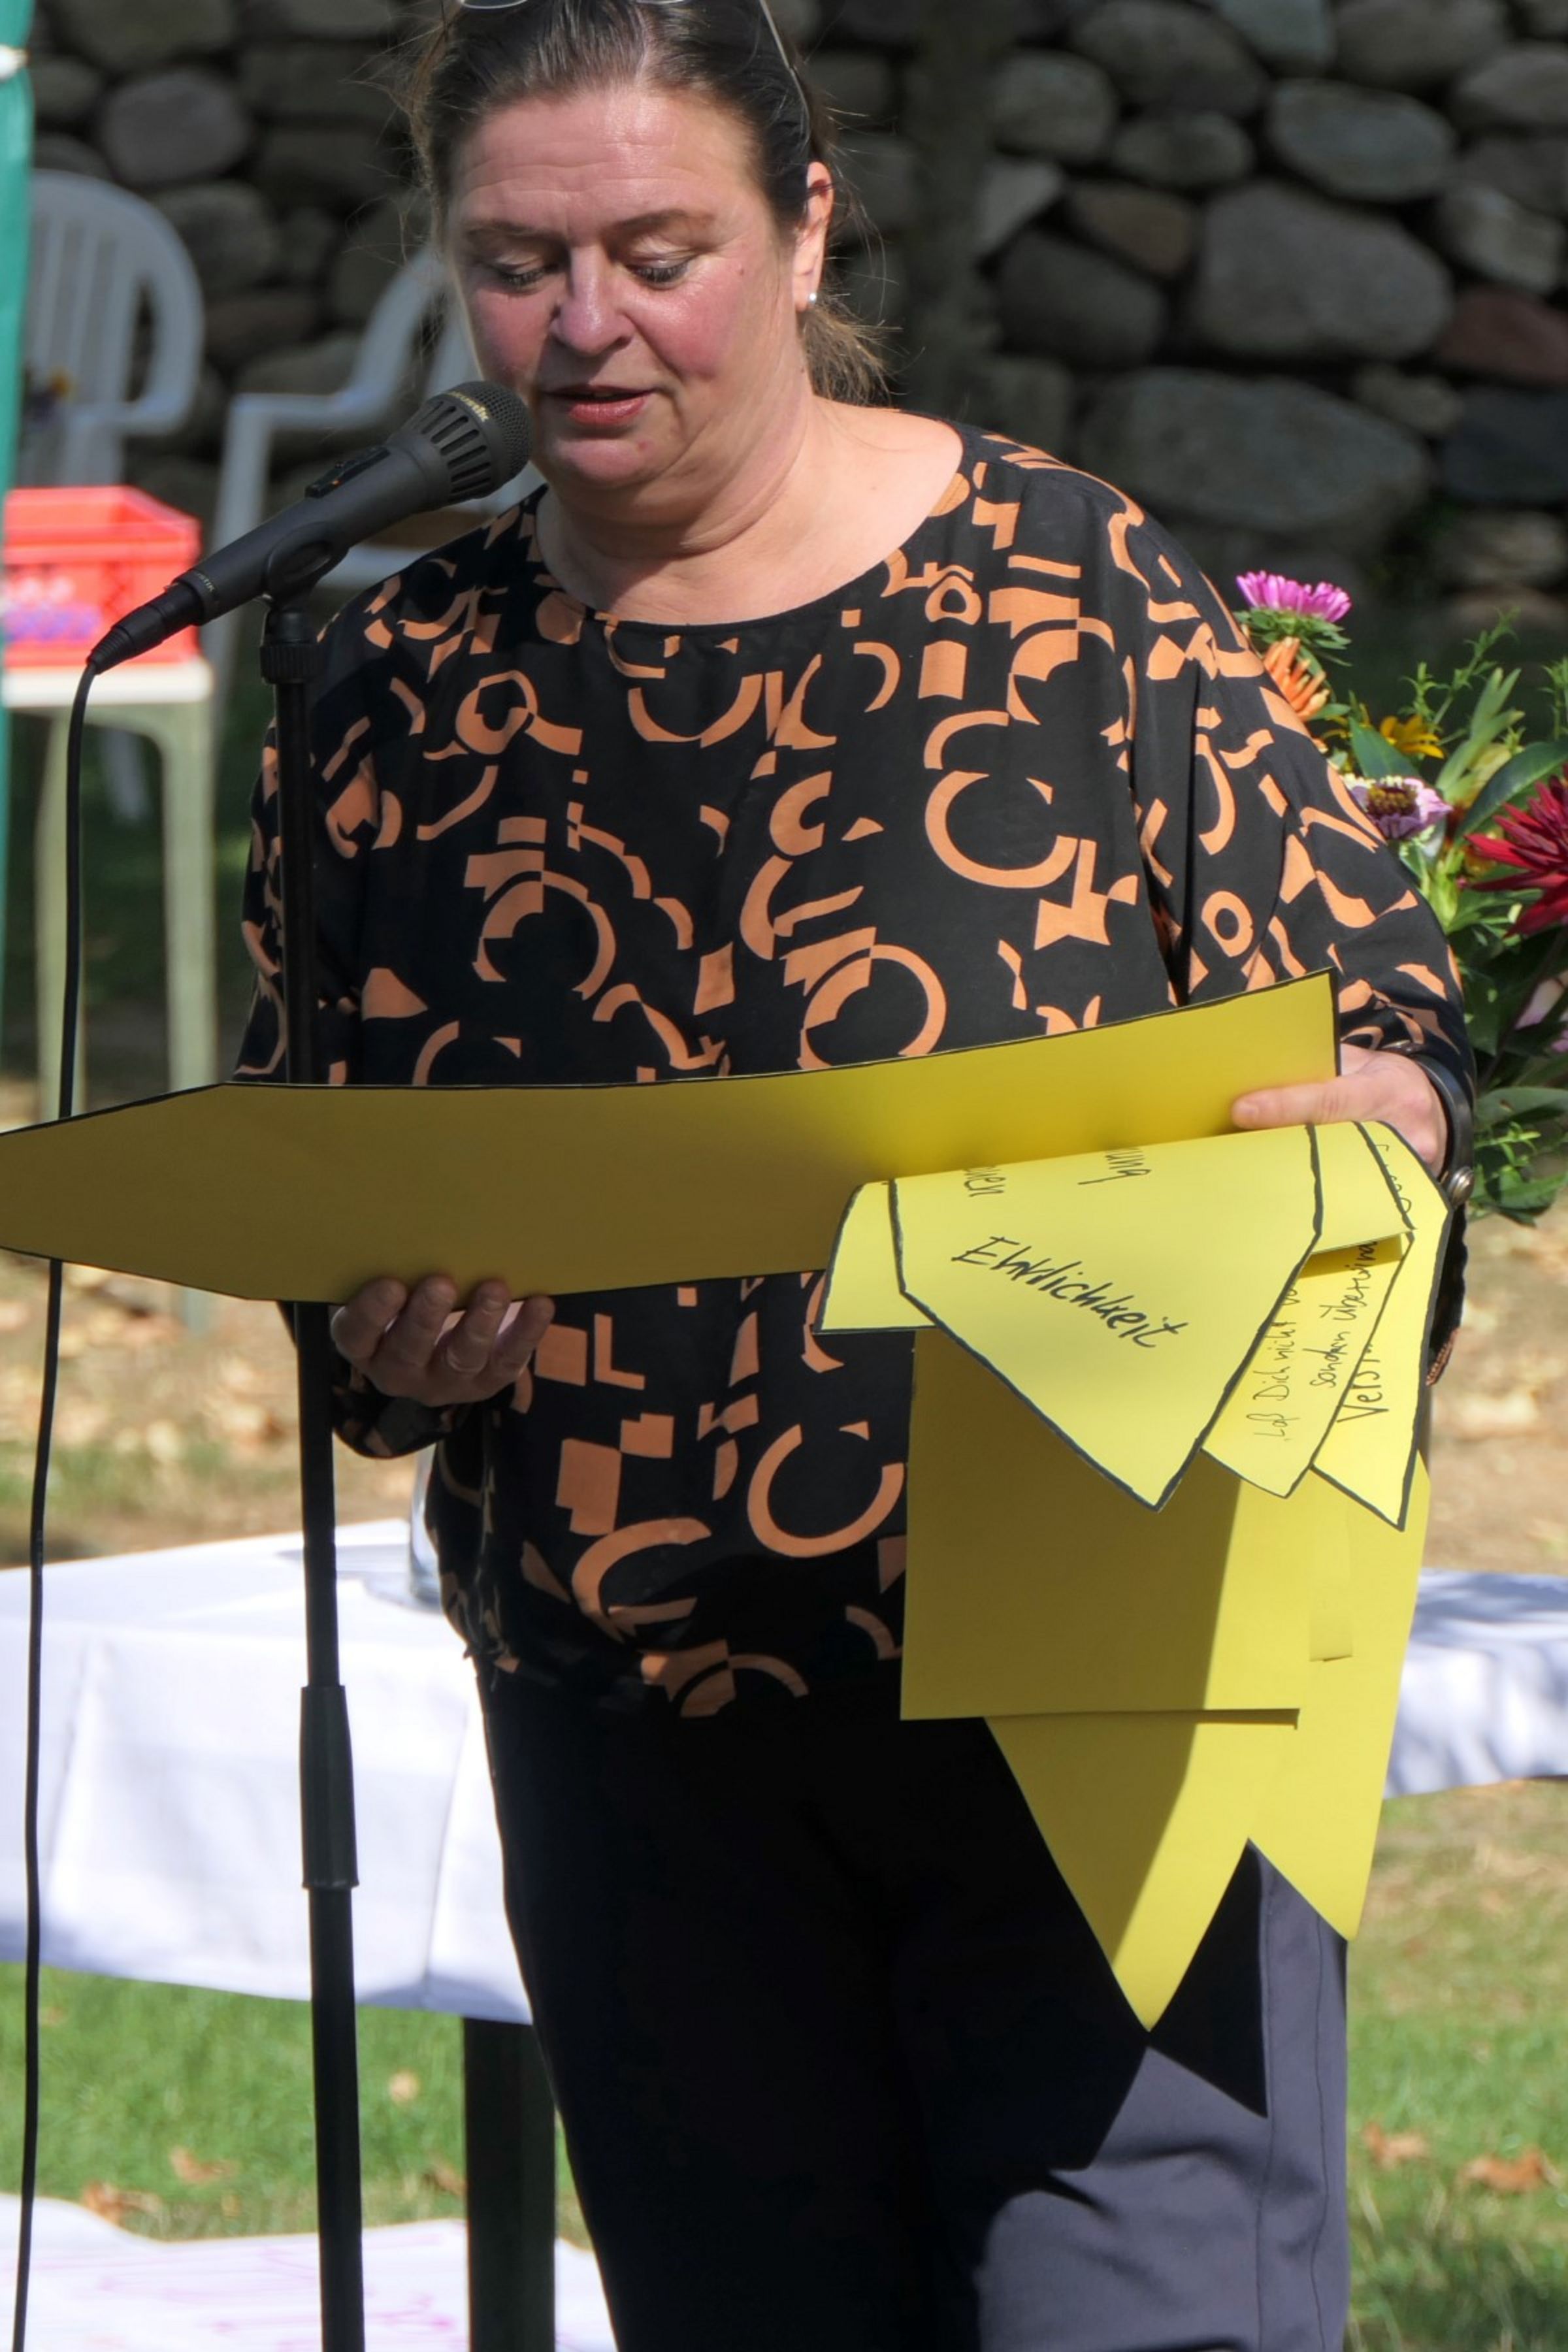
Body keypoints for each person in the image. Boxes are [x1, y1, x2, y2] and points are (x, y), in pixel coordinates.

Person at [237, 4, 1472, 2345]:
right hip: (638, 1739)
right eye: (517, 263)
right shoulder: (391, 689)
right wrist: (389, 1340)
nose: (583, 324)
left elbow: (1384, 1015)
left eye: (658, 252)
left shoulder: (1060, 580)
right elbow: (321, 1182)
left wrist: (1384, 1118)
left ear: (808, 231)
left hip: (1096, 1700)